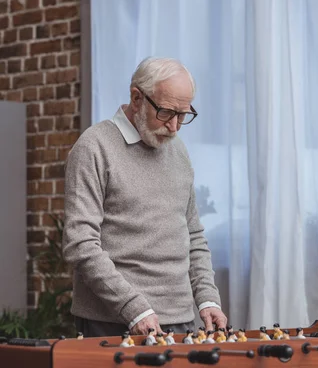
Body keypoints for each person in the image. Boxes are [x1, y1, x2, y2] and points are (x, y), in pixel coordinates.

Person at [63, 57, 228, 337]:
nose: (175, 127)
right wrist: (133, 307)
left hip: (181, 321)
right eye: (166, 112)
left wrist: (208, 298)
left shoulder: (178, 151)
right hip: (113, 324)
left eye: (183, 115)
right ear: (137, 98)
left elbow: (193, 235)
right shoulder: (94, 147)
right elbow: (81, 244)